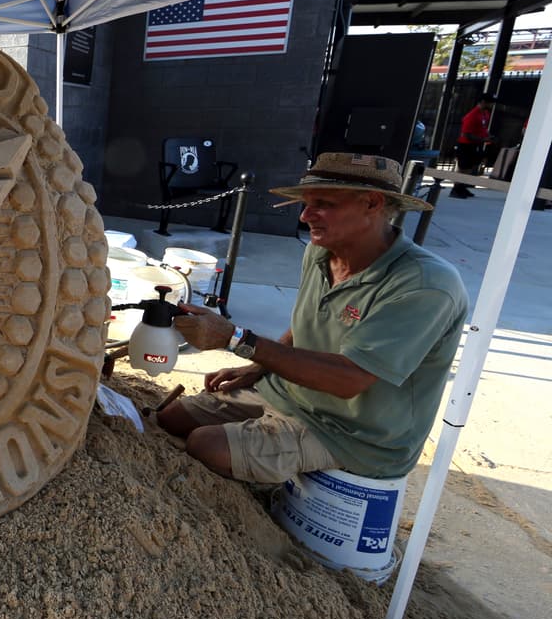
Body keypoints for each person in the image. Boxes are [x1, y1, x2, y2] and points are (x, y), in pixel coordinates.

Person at [156, 152, 468, 485]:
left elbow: (349, 380)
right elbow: (310, 320)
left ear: (372, 204)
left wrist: (237, 339)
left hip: (352, 432)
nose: (305, 216)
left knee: (205, 444)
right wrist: (259, 366)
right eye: (306, 203)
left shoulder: (424, 284)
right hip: (291, 392)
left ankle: (273, 490)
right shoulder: (321, 251)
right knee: (172, 418)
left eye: (323, 204)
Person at [450, 92, 497, 199]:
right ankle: (456, 189)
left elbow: (482, 128)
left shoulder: (485, 114)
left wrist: (488, 136)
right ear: (483, 102)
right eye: (490, 102)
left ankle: (462, 187)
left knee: (469, 167)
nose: (492, 105)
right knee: (462, 168)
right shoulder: (472, 115)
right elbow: (466, 134)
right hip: (465, 145)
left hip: (475, 144)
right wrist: (483, 139)